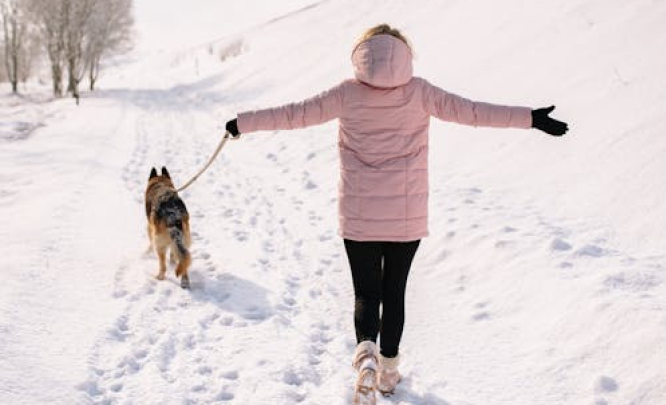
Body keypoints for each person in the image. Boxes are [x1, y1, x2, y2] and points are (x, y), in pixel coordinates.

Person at [224, 24, 568, 404]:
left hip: (358, 215)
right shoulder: (420, 92)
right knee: (395, 292)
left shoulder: (346, 93)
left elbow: (293, 114)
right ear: (405, 55)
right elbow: (473, 112)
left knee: (366, 294)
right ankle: (387, 373)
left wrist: (242, 124)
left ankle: (366, 356)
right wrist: (529, 117)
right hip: (406, 216)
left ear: (362, 54)